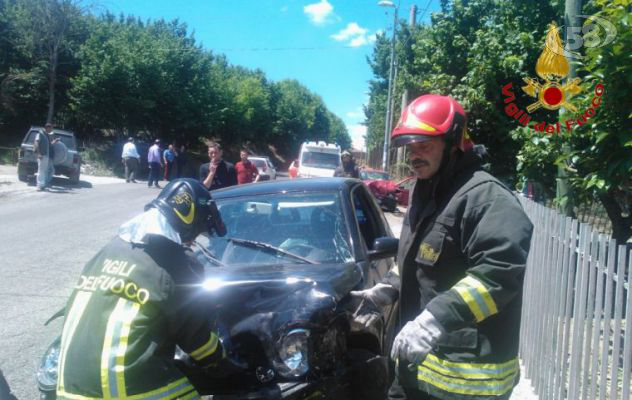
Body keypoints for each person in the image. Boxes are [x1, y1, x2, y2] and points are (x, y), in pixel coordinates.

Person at [351, 94, 534, 400]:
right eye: (411, 148)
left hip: (465, 381)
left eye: (424, 146)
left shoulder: (486, 198)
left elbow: (499, 275)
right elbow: (420, 258)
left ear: (453, 143)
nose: (414, 155)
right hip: (417, 370)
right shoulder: (427, 190)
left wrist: (437, 318)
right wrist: (388, 288)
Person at [55, 179, 241, 400]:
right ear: (188, 220)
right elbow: (197, 342)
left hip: (67, 389)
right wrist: (225, 365)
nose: (192, 242)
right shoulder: (178, 264)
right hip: (123, 392)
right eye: (196, 233)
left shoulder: (110, 250)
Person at [33, 122, 58, 191]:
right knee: (40, 171)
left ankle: (42, 185)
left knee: (44, 171)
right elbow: (36, 143)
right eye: (50, 128)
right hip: (42, 155)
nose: (51, 130)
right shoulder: (40, 134)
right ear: (47, 128)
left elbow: (49, 145)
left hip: (46, 156)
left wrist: (54, 142)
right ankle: (39, 186)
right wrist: (39, 154)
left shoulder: (46, 136)